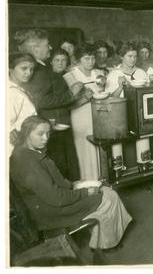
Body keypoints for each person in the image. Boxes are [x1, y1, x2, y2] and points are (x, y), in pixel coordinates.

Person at [10, 116, 132, 250]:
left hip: (49, 203)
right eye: (40, 134)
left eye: (48, 133)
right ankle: (107, 244)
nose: (45, 138)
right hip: (53, 212)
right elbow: (57, 198)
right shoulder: (28, 163)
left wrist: (74, 184)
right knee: (109, 196)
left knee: (103, 189)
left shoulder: (23, 152)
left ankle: (100, 239)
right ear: (27, 134)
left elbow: (50, 184)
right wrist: (86, 192)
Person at [16, 29, 84, 126]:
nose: (51, 48)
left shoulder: (40, 67)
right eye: (47, 45)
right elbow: (41, 101)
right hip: (49, 123)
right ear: (36, 49)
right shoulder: (37, 70)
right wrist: (71, 93)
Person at [64, 44, 104, 181]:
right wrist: (87, 98)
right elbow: (68, 104)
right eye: (86, 58)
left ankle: (101, 178)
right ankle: (88, 181)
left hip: (98, 114)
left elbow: (104, 93)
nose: (91, 62)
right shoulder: (70, 76)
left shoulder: (99, 73)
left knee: (99, 146)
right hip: (80, 115)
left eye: (93, 58)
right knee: (84, 147)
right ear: (78, 59)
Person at [48, 49, 81, 181]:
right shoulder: (47, 77)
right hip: (53, 121)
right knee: (58, 158)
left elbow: (73, 100)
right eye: (57, 60)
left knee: (70, 156)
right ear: (51, 61)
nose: (60, 63)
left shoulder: (68, 76)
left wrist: (82, 96)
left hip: (67, 118)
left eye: (64, 60)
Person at [8, 52, 37, 156]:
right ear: (10, 69)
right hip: (14, 148)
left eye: (31, 69)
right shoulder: (11, 92)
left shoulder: (20, 89)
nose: (29, 73)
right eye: (23, 68)